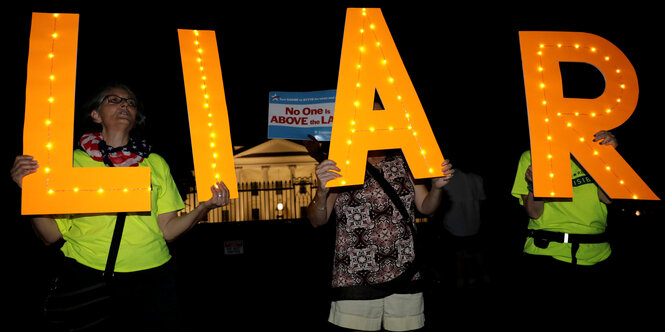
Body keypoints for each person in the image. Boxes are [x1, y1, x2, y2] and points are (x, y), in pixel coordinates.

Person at [10, 83, 230, 331]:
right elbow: (50, 235)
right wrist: (30, 191)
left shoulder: (155, 164)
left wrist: (203, 207)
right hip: (87, 278)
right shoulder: (70, 163)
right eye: (114, 100)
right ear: (96, 115)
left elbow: (167, 230)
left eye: (131, 103)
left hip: (152, 281)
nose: (125, 105)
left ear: (136, 118)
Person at [307, 146, 454, 331]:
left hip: (404, 270)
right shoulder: (342, 164)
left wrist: (436, 188)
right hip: (356, 276)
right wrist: (321, 192)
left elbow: (427, 207)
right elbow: (316, 220)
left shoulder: (404, 162)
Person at [510, 130, 618, 303]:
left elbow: (607, 198)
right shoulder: (531, 156)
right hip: (549, 252)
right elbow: (534, 213)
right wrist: (533, 185)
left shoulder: (593, 154)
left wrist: (610, 157)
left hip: (599, 253)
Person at [435, 168, 489, 289]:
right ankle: (480, 278)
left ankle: (462, 281)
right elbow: (482, 201)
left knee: (459, 254)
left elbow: (441, 202)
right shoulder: (477, 178)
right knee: (474, 252)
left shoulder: (447, 177)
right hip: (473, 224)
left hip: (453, 225)